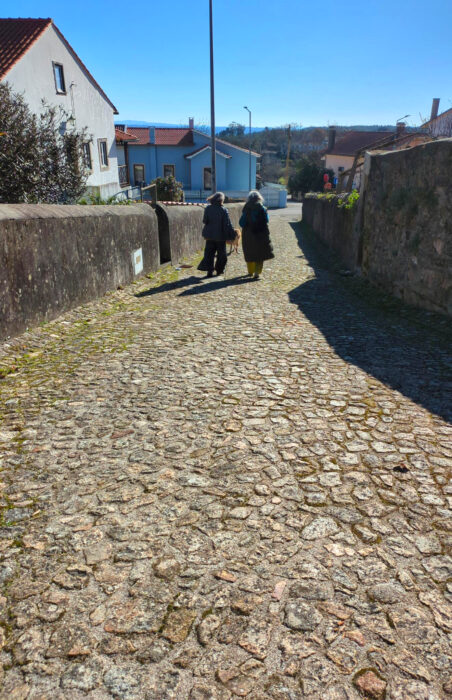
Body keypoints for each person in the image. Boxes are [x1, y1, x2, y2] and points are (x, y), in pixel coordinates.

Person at [197, 192, 235, 278]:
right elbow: (227, 224)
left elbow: (205, 221)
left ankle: (209, 271)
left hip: (209, 235)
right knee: (222, 255)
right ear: (221, 200)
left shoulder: (208, 208)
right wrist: (231, 235)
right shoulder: (223, 210)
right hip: (220, 237)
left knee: (209, 254)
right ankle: (219, 270)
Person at [239, 190, 274, 279]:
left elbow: (241, 223)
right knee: (260, 253)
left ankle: (250, 272)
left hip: (248, 234)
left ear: (249, 199)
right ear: (259, 198)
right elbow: (266, 220)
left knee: (249, 252)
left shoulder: (246, 208)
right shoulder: (262, 208)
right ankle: (257, 273)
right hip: (261, 233)